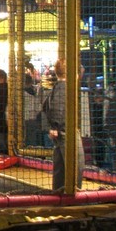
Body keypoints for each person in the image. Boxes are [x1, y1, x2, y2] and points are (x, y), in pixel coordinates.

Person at [41, 58, 85, 190]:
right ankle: (73, 195)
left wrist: (52, 127)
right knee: (76, 165)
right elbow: (58, 107)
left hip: (61, 131)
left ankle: (59, 194)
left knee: (60, 166)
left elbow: (46, 107)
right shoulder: (65, 87)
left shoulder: (57, 86)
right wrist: (55, 126)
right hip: (66, 131)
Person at [23, 73, 43, 147]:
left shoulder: (18, 94)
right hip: (32, 121)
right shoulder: (33, 92)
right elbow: (39, 108)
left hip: (21, 121)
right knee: (32, 142)